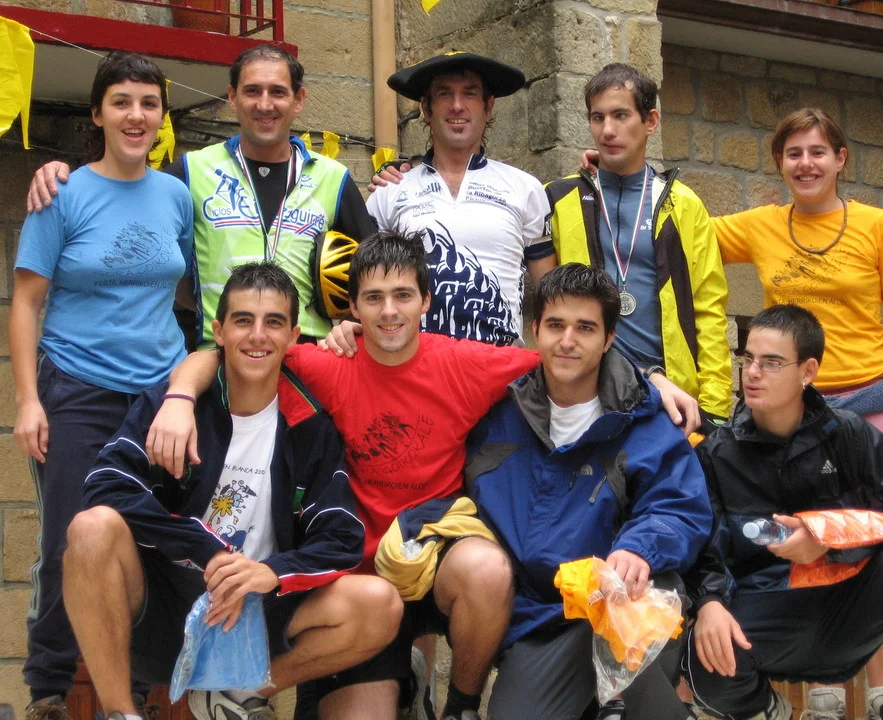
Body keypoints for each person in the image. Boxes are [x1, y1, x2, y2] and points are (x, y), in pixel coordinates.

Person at [145, 231, 545, 720]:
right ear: (352, 307)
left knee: (487, 570)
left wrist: (641, 388)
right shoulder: (328, 364)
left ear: (426, 301)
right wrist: (180, 396)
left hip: (434, 564)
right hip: (358, 581)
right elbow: (228, 351)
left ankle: (459, 707)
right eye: (373, 298)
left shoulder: (463, 363)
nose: (389, 311)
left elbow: (564, 358)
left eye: (403, 295)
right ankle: (391, 679)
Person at [61, 262, 401, 720]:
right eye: (243, 320)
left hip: (254, 608)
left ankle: (239, 693)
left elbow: (341, 538)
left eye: (273, 322)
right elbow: (105, 485)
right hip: (164, 603)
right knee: (91, 528)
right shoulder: (173, 405)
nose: (257, 335)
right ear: (219, 332)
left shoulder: (310, 426)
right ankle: (122, 713)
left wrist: (272, 572)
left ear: (293, 336)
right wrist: (205, 550)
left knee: (381, 604)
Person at [710, 107, 883, 718]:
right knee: (799, 542)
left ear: (840, 159)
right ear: (779, 163)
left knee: (876, 543)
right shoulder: (759, 225)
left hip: (873, 405)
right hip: (795, 416)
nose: (805, 164)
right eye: (793, 153)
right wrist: (607, 177)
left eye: (817, 152)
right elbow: (681, 226)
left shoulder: (879, 226)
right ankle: (820, 696)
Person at [10, 52, 194, 720]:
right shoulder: (61, 194)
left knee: (147, 540)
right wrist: (28, 400)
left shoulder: (176, 196)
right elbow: (26, 302)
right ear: (98, 113)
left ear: (161, 116)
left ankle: (137, 689)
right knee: (68, 539)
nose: (136, 116)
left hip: (156, 398)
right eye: (121, 102)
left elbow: (185, 293)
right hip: (77, 390)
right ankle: (48, 688)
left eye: (149, 103)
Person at [466, 264, 712, 720]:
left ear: (609, 338)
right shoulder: (495, 414)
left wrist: (639, 548)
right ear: (534, 329)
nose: (568, 340)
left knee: (647, 604)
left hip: (622, 597)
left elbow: (680, 508)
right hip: (541, 618)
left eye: (585, 328)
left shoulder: (645, 421)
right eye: (556, 325)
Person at [685, 304, 883, 720]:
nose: (752, 372)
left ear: (807, 371)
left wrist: (827, 541)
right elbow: (701, 549)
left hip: (849, 604)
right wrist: (709, 603)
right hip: (769, 611)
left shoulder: (849, 434)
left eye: (771, 362)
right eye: (747, 358)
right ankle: (764, 710)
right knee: (701, 646)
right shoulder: (715, 454)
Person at [26, 44, 375, 346]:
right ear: (232, 96)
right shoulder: (191, 171)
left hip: (309, 357)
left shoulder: (334, 178)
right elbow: (125, 191)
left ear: (298, 100)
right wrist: (63, 175)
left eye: (278, 92)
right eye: (252, 91)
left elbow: (378, 273)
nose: (264, 104)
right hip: (219, 360)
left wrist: (351, 322)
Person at [550, 63, 732, 431]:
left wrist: (714, 407)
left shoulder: (684, 205)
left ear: (650, 121)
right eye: (598, 117)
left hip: (672, 398)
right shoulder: (559, 198)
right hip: (587, 390)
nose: (608, 130)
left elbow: (709, 308)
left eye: (621, 115)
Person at [365, 51, 556, 347]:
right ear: (426, 108)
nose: (457, 105)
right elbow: (367, 290)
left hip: (501, 365)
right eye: (444, 94)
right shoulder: (389, 192)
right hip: (415, 364)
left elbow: (551, 295)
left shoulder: (526, 189)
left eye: (469, 93)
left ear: (488, 107)